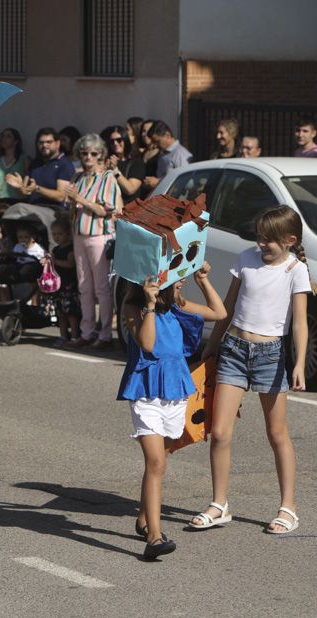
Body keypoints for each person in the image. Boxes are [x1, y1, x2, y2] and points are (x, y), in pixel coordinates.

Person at [191, 205, 314, 534]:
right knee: (219, 432)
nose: (261, 244)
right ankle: (219, 504)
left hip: (270, 356)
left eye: (268, 240)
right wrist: (213, 345)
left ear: (288, 240)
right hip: (233, 350)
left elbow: (300, 322)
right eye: (259, 237)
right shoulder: (245, 258)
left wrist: (299, 362)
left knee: (277, 434)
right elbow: (228, 307)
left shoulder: (295, 269)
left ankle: (288, 507)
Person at [118, 265, 225, 559]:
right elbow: (148, 344)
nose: (182, 285)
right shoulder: (134, 305)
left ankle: (143, 517)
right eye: (177, 282)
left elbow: (219, 313)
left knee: (160, 459)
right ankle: (154, 537)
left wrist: (203, 280)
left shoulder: (178, 305)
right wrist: (150, 306)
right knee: (155, 462)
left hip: (176, 390)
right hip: (146, 390)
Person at [63, 133, 122, 350]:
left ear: (101, 155)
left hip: (99, 236)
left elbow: (105, 210)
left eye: (93, 153)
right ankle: (86, 332)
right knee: (84, 287)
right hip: (79, 235)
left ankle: (105, 334)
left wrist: (78, 199)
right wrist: (72, 202)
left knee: (101, 288)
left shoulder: (107, 178)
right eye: (84, 153)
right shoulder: (77, 178)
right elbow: (68, 207)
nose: (88, 157)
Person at [46, 217, 80, 346]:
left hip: (69, 285)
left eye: (60, 234)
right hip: (58, 286)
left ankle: (75, 335)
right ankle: (63, 335)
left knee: (71, 313)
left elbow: (70, 264)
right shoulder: (55, 250)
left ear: (67, 233)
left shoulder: (71, 248)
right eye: (54, 234)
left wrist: (54, 261)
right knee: (61, 313)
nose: (57, 237)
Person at [101, 125, 145, 204]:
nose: (115, 143)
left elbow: (130, 189)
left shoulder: (136, 163)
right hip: (109, 208)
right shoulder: (105, 161)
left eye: (119, 140)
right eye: (112, 141)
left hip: (128, 211)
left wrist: (115, 170)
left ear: (126, 140)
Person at [144, 121, 192, 192]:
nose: (155, 145)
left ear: (167, 135)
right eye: (154, 142)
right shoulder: (163, 153)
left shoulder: (180, 154)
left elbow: (187, 182)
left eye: (157, 141)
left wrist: (158, 183)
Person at [0, 128, 31, 207]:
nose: (4, 139)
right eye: (3, 136)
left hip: (17, 201)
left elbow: (28, 178)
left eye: (8, 136)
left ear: (16, 142)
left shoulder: (24, 159)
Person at [138, 120, 161, 196]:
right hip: (141, 195)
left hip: (156, 194)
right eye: (143, 131)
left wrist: (158, 182)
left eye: (149, 131)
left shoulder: (161, 152)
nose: (145, 134)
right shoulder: (140, 153)